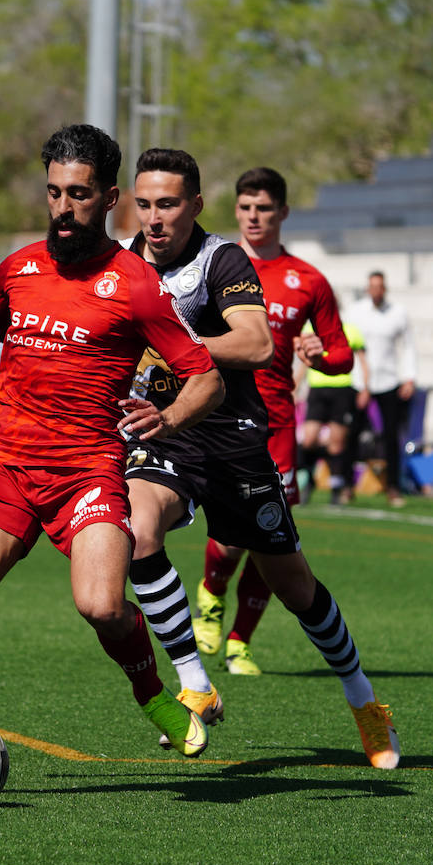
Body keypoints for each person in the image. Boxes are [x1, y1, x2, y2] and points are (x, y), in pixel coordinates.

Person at [0, 124, 226, 763]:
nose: (63, 208)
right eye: (54, 193)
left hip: (87, 471)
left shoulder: (135, 283)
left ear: (110, 198)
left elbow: (206, 377)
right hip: (7, 463)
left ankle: (152, 693)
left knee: (102, 606)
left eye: (79, 194)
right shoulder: (18, 269)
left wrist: (169, 421)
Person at [125, 150, 399, 768]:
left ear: (194, 205)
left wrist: (175, 350)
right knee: (137, 532)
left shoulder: (221, 260)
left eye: (167, 204)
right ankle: (196, 681)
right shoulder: (123, 263)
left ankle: (365, 704)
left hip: (236, 436)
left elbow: (255, 341)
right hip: (167, 432)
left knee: (294, 586)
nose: (154, 219)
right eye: (144, 204)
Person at [189, 166, 354, 684]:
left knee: (270, 539)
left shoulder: (308, 280)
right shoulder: (214, 266)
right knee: (231, 538)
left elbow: (343, 353)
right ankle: (211, 598)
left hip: (277, 424)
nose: (253, 217)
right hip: (220, 417)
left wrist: (320, 357)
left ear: (282, 212)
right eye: (245, 208)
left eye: (263, 208)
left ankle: (240, 641)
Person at [344, 271, 418, 506]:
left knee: (390, 435)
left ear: (384, 289)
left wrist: (409, 378)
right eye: (372, 286)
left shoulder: (398, 313)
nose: (376, 291)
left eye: (380, 287)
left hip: (388, 381)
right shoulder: (355, 312)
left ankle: (393, 487)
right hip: (359, 382)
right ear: (368, 289)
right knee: (352, 434)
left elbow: (408, 346)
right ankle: (346, 486)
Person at [298, 321, 369, 506]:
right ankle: (310, 480)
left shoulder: (351, 331)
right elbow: (304, 361)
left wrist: (366, 388)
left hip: (342, 389)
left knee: (336, 444)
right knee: (309, 439)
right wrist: (296, 385)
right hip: (318, 389)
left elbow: (362, 361)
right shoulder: (310, 330)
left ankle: (336, 488)